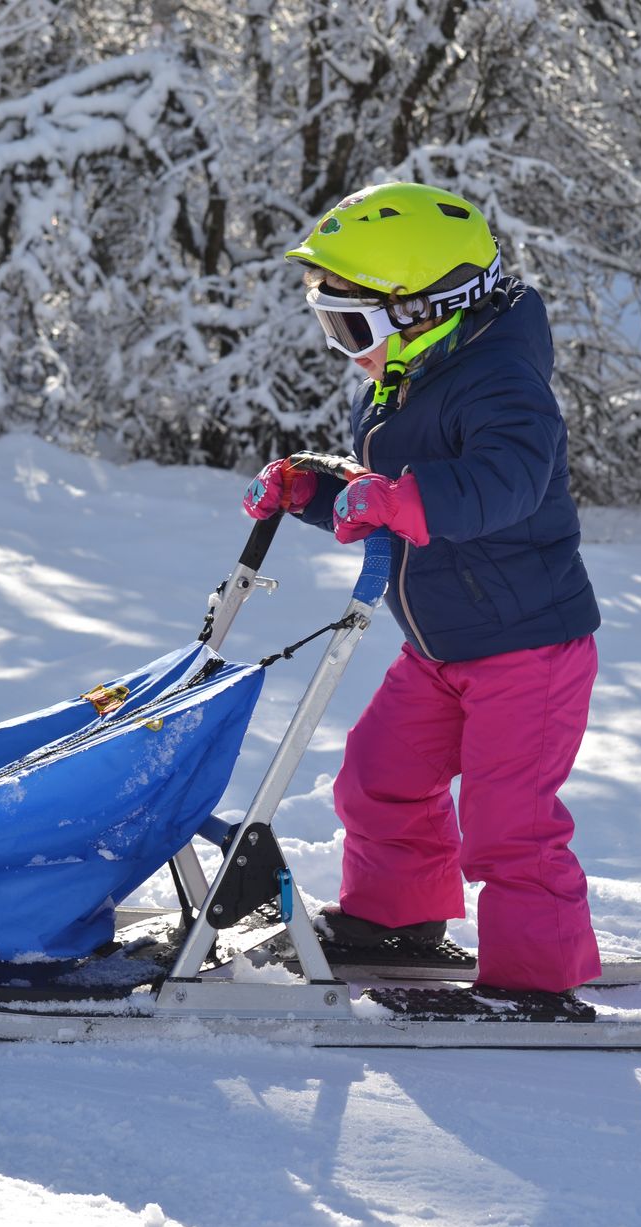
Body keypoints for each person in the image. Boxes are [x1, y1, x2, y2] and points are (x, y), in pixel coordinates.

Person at [243, 181, 602, 995]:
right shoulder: (413, 374)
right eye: (331, 324)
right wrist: (314, 493)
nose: (347, 349)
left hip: (528, 649)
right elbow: (387, 497)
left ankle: (538, 979)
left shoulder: (503, 381)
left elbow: (505, 480)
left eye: (355, 327)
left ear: (425, 309)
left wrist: (404, 499)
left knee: (511, 827)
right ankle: (395, 919)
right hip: (440, 644)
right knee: (377, 777)